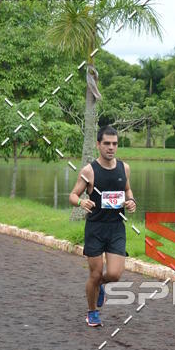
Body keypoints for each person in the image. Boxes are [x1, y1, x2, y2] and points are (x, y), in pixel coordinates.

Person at [69, 126, 136, 327]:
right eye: (106, 143)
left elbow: (128, 190)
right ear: (98, 144)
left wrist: (131, 201)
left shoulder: (124, 168)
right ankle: (92, 312)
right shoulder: (89, 171)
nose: (111, 147)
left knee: (114, 274)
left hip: (116, 228)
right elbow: (73, 195)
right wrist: (81, 202)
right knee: (95, 273)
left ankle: (98, 287)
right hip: (95, 228)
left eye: (114, 144)